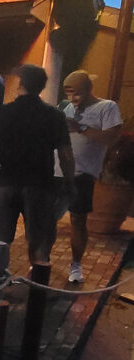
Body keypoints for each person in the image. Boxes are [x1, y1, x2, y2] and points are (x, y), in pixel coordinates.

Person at [0, 63, 75, 269]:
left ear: (20, 84)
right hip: (40, 183)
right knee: (40, 239)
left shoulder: (3, 112)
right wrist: (69, 183)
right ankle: (37, 287)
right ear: (42, 87)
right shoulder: (54, 116)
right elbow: (66, 154)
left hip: (4, 181)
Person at [60, 70, 122, 283]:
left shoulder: (107, 107)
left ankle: (76, 266)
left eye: (76, 94)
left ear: (88, 89)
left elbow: (112, 138)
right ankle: (41, 261)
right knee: (46, 218)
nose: (72, 99)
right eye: (68, 94)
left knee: (78, 220)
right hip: (58, 172)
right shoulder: (68, 108)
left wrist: (82, 127)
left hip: (82, 173)